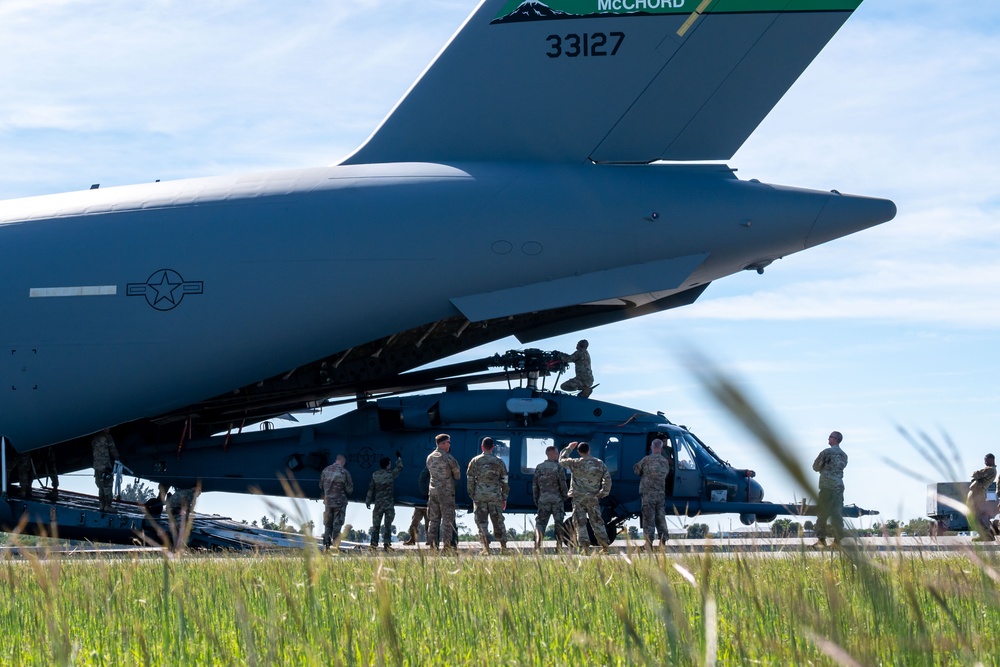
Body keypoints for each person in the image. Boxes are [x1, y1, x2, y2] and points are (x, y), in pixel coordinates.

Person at [558, 441, 612, 549]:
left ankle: (585, 547)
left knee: (580, 523)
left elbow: (561, 461)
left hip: (578, 498)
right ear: (589, 450)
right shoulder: (599, 463)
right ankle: (605, 546)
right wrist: (603, 493)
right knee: (597, 522)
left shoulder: (575, 463)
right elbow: (607, 479)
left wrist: (569, 448)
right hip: (593, 497)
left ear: (578, 452)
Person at [467, 437, 510, 553]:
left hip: (479, 496)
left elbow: (470, 480)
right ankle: (503, 548)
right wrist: (504, 497)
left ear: (482, 447)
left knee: (482, 522)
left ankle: (486, 548)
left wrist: (473, 495)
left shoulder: (475, 461)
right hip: (495, 496)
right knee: (498, 521)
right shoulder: (499, 462)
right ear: (493, 447)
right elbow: (505, 481)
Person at [812, 431, 849, 547]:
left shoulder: (826, 452)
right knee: (837, 514)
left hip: (827, 487)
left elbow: (815, 467)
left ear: (835, 439)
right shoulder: (844, 455)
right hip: (838, 488)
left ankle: (821, 541)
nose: (828, 439)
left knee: (822, 514)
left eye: (830, 437)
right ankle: (837, 542)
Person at [633, 438, 671, 550]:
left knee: (648, 519)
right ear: (661, 448)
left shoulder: (646, 460)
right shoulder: (665, 462)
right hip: (660, 494)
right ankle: (663, 542)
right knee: (660, 517)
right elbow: (666, 474)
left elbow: (637, 471)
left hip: (648, 494)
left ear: (651, 448)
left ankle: (648, 544)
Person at [426, 433, 461, 550]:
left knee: (434, 519)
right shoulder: (448, 458)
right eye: (449, 442)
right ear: (443, 444)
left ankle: (432, 546)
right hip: (446, 493)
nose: (450, 445)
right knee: (447, 520)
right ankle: (446, 547)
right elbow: (457, 475)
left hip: (433, 492)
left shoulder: (430, 457)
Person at [533, 445, 569, 550]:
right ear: (551, 453)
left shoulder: (539, 467)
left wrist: (537, 499)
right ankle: (559, 546)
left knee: (540, 524)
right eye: (556, 453)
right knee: (559, 524)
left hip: (543, 500)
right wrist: (564, 497)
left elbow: (535, 486)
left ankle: (537, 546)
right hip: (557, 500)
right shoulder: (558, 467)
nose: (558, 455)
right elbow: (563, 484)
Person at [366, 452, 404, 551]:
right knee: (388, 525)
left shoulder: (375, 475)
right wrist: (399, 458)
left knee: (376, 526)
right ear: (388, 464)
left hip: (378, 504)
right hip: (388, 504)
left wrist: (368, 501)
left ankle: (373, 545)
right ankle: (386, 545)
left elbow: (371, 488)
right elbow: (400, 467)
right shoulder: (390, 474)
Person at [319, 454, 353, 550]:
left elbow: (320, 485)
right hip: (339, 502)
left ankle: (326, 546)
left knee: (327, 524)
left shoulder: (326, 470)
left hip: (328, 502)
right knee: (337, 524)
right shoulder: (344, 472)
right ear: (343, 462)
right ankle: (336, 546)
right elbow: (349, 490)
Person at [968, 453, 997, 542]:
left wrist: (975, 473)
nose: (984, 461)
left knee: (975, 515)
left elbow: (977, 474)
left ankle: (987, 534)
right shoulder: (988, 469)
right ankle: (985, 534)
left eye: (986, 459)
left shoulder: (991, 470)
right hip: (976, 492)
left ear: (991, 459)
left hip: (978, 493)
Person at [92, 428, 120, 513]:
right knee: (107, 485)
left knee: (100, 486)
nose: (109, 430)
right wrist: (118, 458)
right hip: (105, 465)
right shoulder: (107, 437)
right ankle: (108, 506)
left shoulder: (94, 438)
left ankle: (102, 504)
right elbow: (113, 449)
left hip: (96, 466)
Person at [404, 465, 430, 545]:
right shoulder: (423, 475)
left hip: (428, 504)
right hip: (420, 504)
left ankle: (429, 540)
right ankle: (412, 539)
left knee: (428, 524)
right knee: (414, 523)